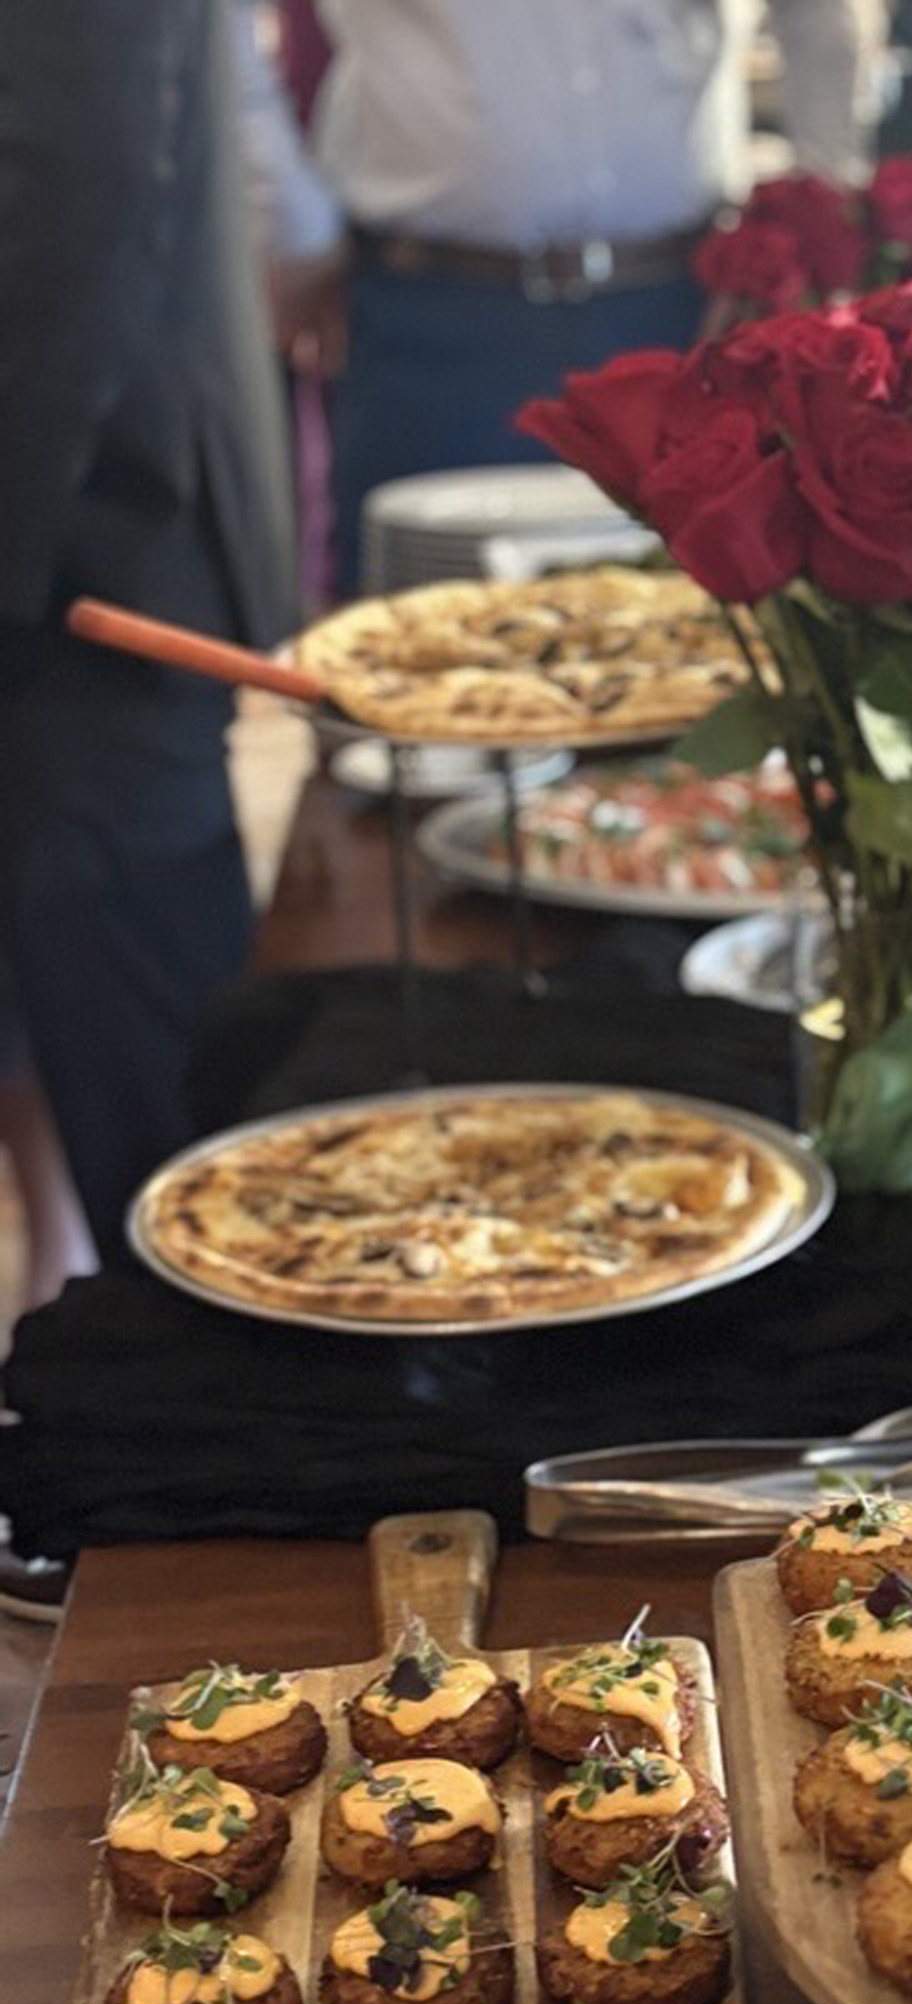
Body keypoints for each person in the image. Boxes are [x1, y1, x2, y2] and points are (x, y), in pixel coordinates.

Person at [239, 0, 881, 591]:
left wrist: (815, 213)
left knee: (706, 656)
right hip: (433, 317)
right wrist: (292, 232)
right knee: (417, 665)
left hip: (686, 315)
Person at [0, 2, 297, 1258]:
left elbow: (80, 207)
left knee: (170, 1136)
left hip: (94, 534)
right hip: (72, 528)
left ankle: (201, 1439)